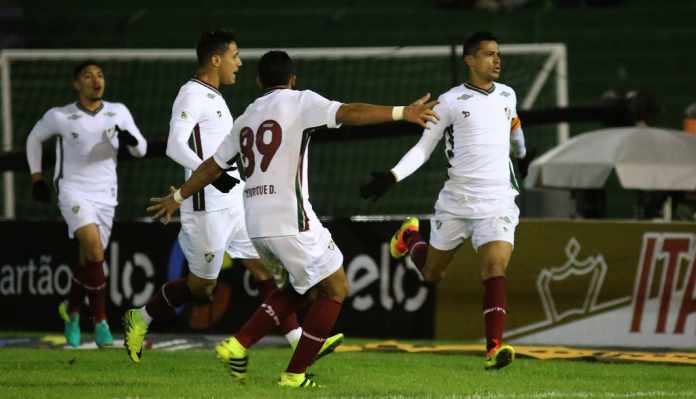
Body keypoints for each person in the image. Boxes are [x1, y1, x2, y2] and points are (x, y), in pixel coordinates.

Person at [147, 50, 438, 387]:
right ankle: (294, 374)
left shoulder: (244, 118)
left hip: (254, 224)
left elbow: (211, 166)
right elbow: (350, 112)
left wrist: (178, 196)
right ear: (292, 79)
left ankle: (239, 343)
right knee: (336, 287)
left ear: (259, 82)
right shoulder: (300, 101)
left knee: (301, 286)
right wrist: (404, 112)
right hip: (290, 219)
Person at [122, 31, 341, 363]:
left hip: (235, 201)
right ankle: (141, 317)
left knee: (266, 272)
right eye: (234, 55)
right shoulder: (191, 95)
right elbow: (174, 146)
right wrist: (209, 177)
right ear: (215, 59)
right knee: (201, 289)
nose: (238, 63)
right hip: (205, 206)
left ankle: (300, 342)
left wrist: (229, 179)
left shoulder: (217, 97)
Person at [360, 31, 527, 370]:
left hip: (497, 201)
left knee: (495, 267)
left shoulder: (508, 94)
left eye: (499, 54)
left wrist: (522, 152)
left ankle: (494, 347)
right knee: (432, 274)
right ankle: (410, 239)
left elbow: (514, 127)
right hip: (456, 202)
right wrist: (393, 175)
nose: (497, 60)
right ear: (470, 60)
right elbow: (424, 148)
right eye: (489, 54)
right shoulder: (450, 101)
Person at [26, 60, 148, 347]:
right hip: (73, 191)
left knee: (88, 261)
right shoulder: (61, 116)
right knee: (94, 250)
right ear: (76, 84)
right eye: (88, 76)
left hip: (106, 194)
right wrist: (36, 178)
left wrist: (131, 141)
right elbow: (34, 138)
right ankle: (101, 321)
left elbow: (141, 149)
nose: (96, 80)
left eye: (100, 75)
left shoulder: (119, 111)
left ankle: (71, 311)